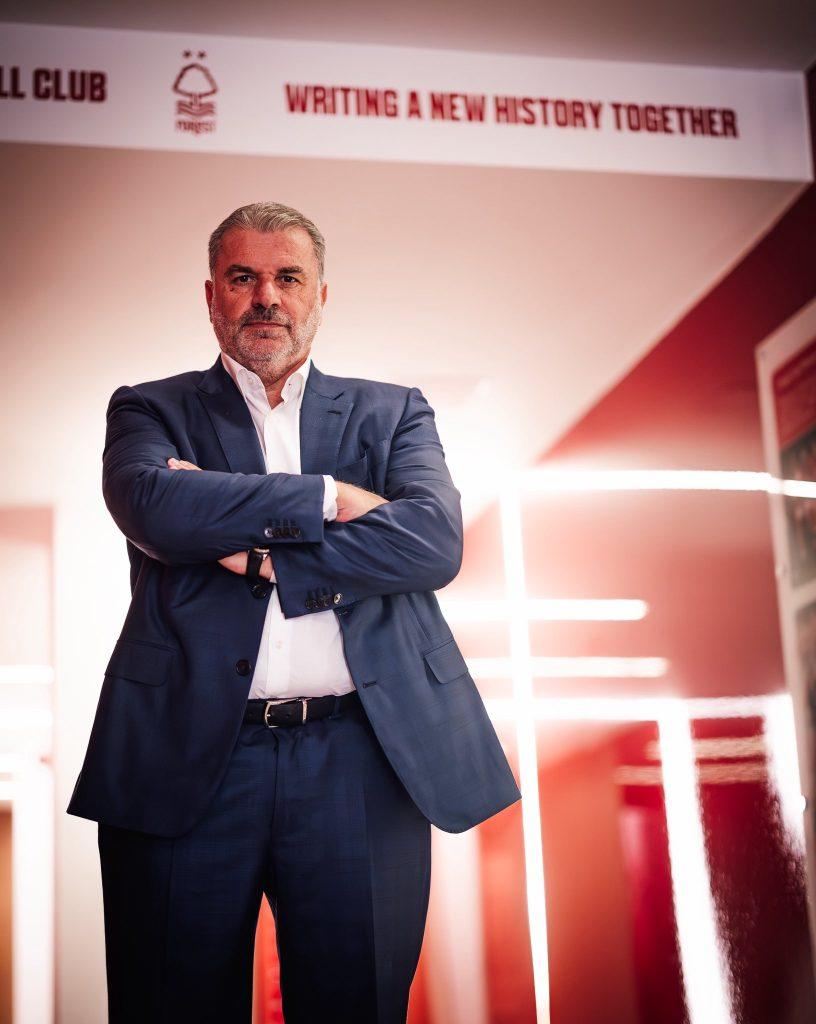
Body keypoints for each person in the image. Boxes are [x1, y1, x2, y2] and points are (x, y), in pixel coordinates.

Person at [67, 201, 522, 1023]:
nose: (265, 297)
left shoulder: (393, 412)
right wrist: (330, 497)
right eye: (243, 278)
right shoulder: (148, 409)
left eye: (286, 278)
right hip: (186, 759)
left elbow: (431, 544)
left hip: (361, 760)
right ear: (212, 297)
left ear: (320, 295)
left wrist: (265, 552)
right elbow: (156, 509)